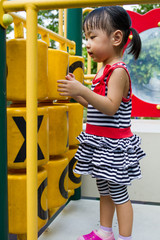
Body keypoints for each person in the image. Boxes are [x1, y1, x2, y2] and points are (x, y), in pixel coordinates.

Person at [58, 6, 145, 240]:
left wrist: (82, 89)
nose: (87, 43)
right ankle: (105, 232)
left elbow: (110, 106)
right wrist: (78, 94)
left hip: (114, 145)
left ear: (116, 38)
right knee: (104, 191)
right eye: (86, 37)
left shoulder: (118, 71)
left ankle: (125, 237)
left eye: (92, 37)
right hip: (100, 143)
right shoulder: (102, 71)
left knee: (118, 193)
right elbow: (95, 105)